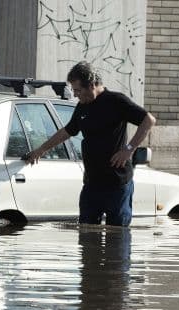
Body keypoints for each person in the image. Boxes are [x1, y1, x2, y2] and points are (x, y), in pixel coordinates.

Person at [24, 61, 156, 226]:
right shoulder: (82, 107)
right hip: (92, 184)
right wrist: (41, 149)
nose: (76, 95)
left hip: (117, 183)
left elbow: (148, 120)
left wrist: (129, 149)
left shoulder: (116, 101)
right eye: (74, 91)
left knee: (117, 239)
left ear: (92, 85)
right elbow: (67, 131)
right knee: (86, 236)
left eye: (78, 90)